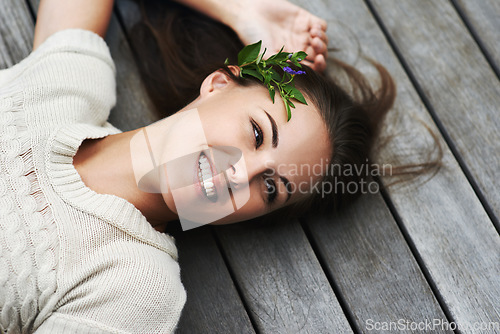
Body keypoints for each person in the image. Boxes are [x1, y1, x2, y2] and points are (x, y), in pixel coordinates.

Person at [0, 0, 395, 333]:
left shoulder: (134, 288)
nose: (241, 174)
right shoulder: (68, 86)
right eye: (257, 133)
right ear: (219, 85)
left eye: (271, 188)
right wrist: (243, 12)